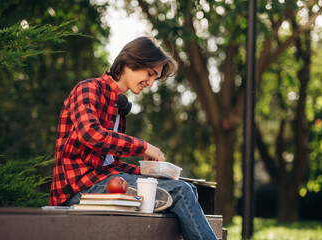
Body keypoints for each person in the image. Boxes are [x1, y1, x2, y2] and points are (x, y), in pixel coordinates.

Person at [49, 36, 217, 240]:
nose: (151, 83)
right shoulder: (88, 89)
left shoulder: (118, 108)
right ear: (130, 62)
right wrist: (143, 146)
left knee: (188, 188)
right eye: (150, 74)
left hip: (100, 182)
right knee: (181, 192)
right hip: (77, 190)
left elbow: (109, 163)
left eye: (155, 78)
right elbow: (91, 134)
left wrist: (148, 172)